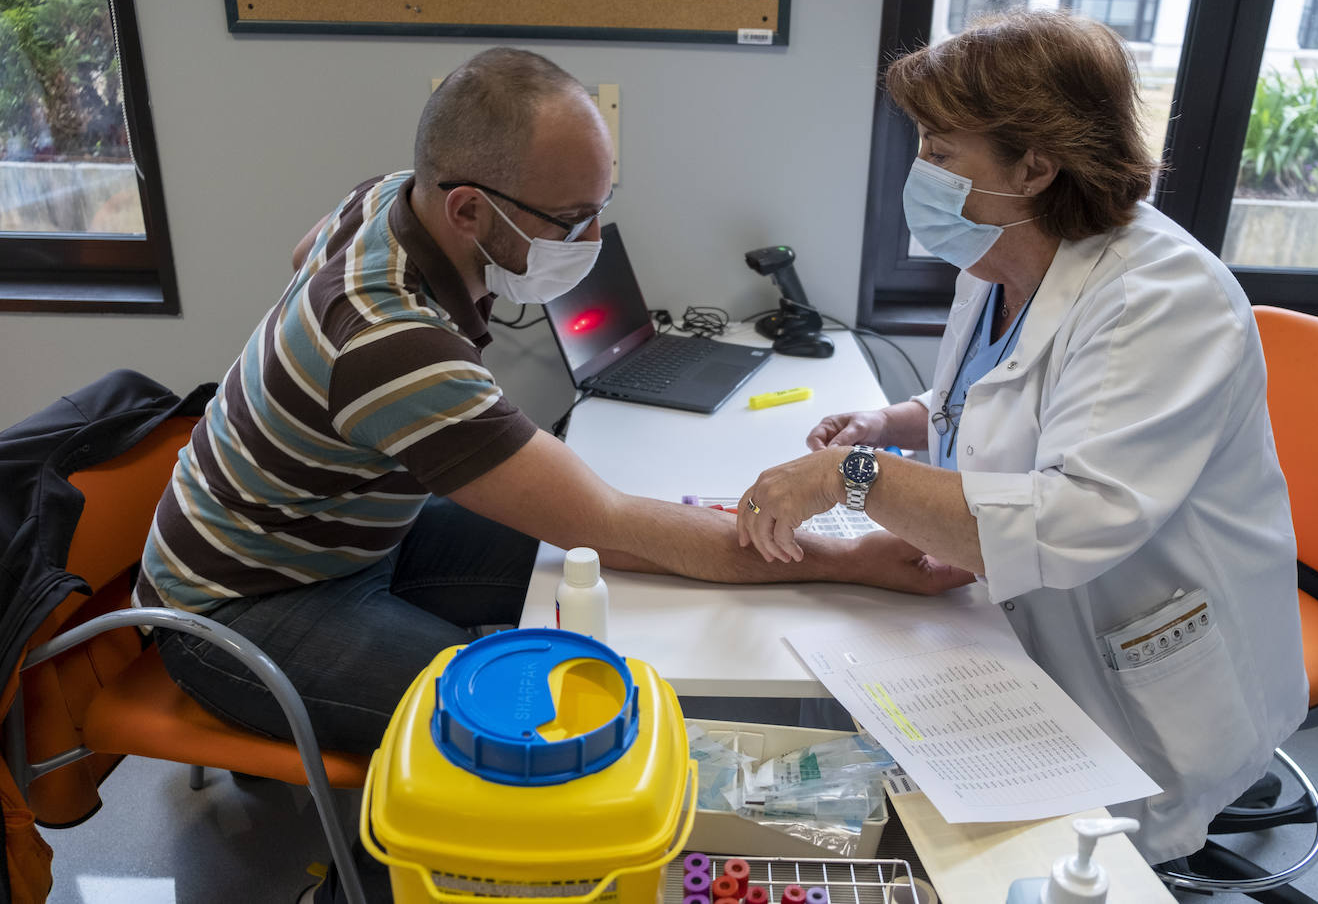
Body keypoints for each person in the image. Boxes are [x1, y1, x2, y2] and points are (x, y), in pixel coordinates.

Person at [134, 49, 967, 765]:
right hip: (240, 607)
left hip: (338, 538)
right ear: (466, 208)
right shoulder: (390, 342)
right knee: (519, 727)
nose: (592, 241)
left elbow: (303, 248)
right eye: (571, 220)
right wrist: (843, 559)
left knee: (583, 581)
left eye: (601, 208)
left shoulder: (388, 197)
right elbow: (603, 519)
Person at [735, 11, 1307, 866]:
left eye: (939, 150)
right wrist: (898, 422)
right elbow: (992, 394)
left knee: (1032, 860)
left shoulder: (1162, 297)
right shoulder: (1003, 260)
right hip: (1013, 629)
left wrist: (850, 475)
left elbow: (1068, 519)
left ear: (1035, 165)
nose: (918, 170)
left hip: (1139, 674)